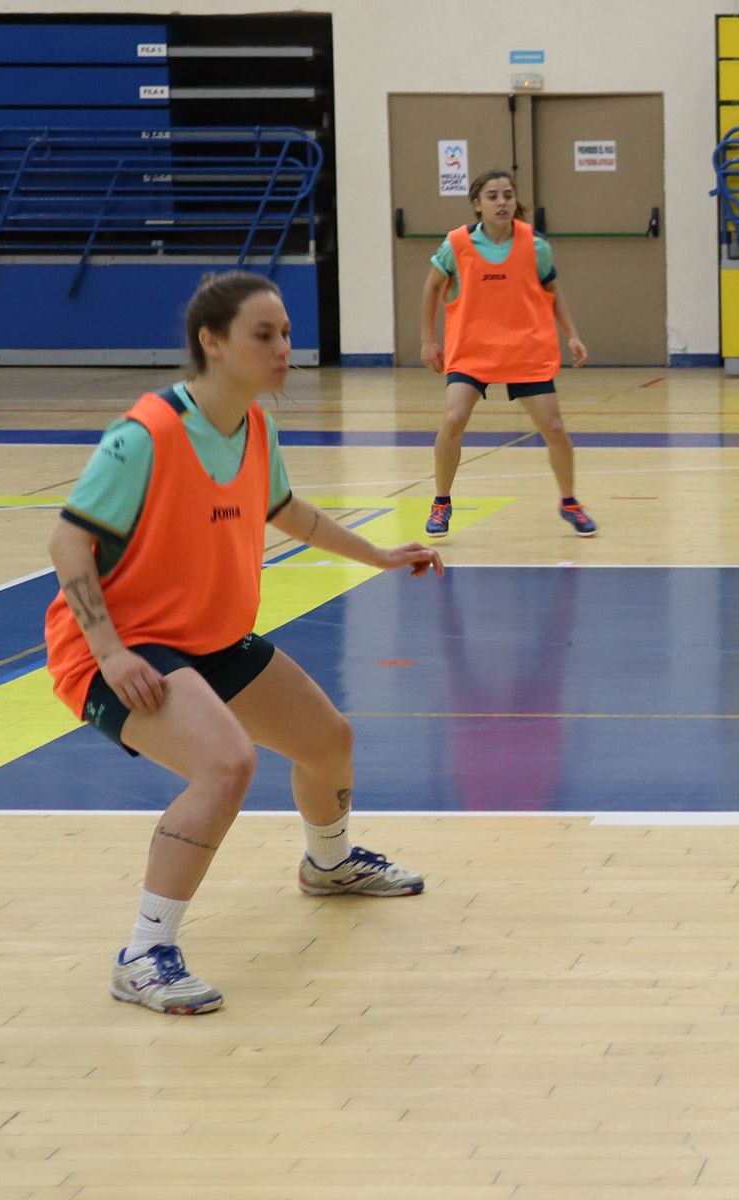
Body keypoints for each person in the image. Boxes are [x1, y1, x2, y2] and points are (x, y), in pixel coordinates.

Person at [45, 271, 442, 1015]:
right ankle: (144, 952)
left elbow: (289, 513)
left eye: (287, 333)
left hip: (212, 639)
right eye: (266, 335)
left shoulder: (255, 427)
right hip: (122, 649)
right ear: (213, 343)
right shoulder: (148, 434)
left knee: (328, 740)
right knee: (226, 764)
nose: (284, 348)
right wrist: (111, 655)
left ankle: (327, 866)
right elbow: (68, 545)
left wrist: (382, 555)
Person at [418, 168, 596, 537]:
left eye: (508, 195)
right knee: (453, 420)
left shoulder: (535, 245)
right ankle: (441, 502)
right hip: (472, 350)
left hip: (525, 350)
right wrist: (427, 341)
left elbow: (554, 290)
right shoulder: (457, 244)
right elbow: (432, 288)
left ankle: (570, 501)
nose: (502, 202)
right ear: (477, 206)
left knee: (555, 428)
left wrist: (572, 336)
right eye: (493, 196)